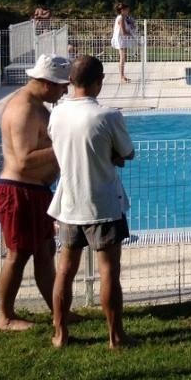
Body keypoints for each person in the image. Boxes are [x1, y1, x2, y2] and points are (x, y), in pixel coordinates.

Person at [47, 55, 135, 348]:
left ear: (70, 81)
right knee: (109, 270)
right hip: (103, 203)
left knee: (64, 270)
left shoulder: (56, 114)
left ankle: (60, 334)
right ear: (99, 81)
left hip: (69, 202)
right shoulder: (107, 115)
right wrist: (110, 155)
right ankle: (115, 336)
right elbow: (127, 153)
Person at [0, 54, 71, 331]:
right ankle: (5, 317)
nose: (64, 91)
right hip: (19, 191)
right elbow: (23, 160)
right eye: (62, 86)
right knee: (18, 254)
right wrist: (63, 145)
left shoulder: (35, 104)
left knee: (44, 250)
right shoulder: (24, 108)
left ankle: (57, 310)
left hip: (34, 190)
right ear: (47, 83)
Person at [110, 3, 136, 83]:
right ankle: (121, 77)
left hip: (122, 39)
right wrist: (132, 34)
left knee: (124, 58)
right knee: (122, 58)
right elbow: (123, 31)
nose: (128, 11)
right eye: (127, 10)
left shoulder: (123, 18)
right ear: (122, 10)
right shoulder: (121, 18)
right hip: (120, 39)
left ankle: (123, 76)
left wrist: (132, 26)